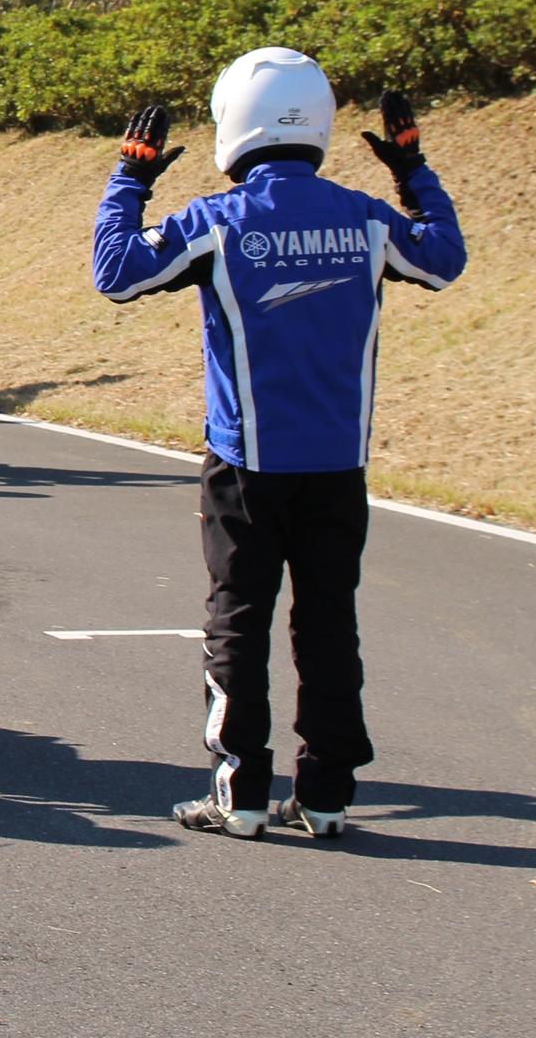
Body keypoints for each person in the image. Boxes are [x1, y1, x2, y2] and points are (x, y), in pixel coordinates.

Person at [91, 48, 466, 841]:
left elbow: (116, 274)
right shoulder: (364, 217)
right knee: (329, 624)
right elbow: (442, 260)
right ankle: (326, 798)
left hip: (245, 466)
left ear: (234, 124)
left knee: (238, 619)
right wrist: (413, 171)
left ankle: (243, 795)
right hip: (338, 465)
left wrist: (131, 178)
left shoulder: (215, 221)